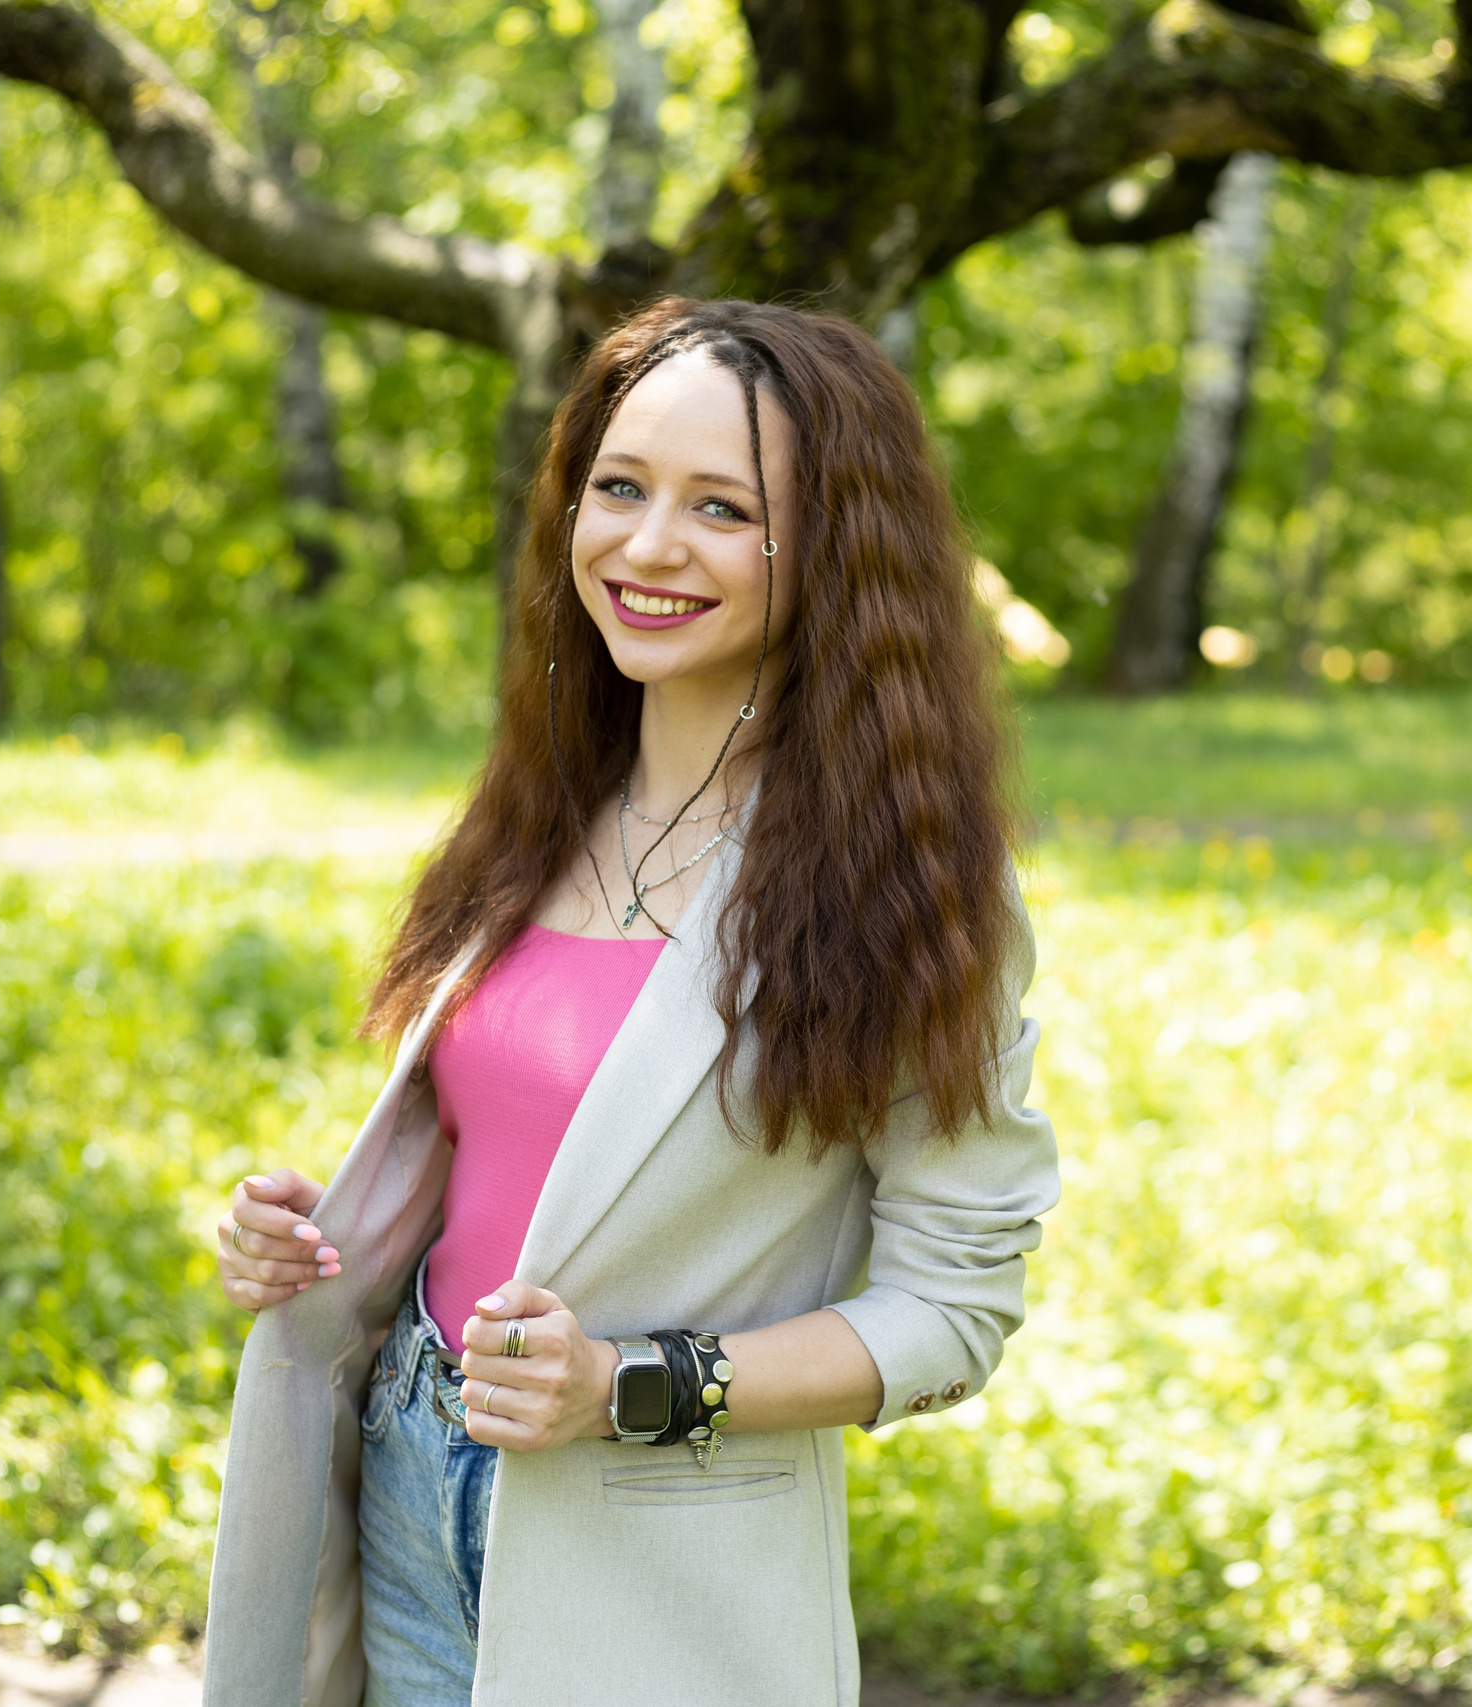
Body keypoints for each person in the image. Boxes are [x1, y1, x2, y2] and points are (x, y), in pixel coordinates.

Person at [202, 296, 1058, 1707]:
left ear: (834, 546)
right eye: (619, 486)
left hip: (650, 1563)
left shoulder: (910, 890)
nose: (647, 546)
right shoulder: (541, 810)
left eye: (723, 508)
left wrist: (632, 1385)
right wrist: (299, 1250)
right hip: (406, 1479)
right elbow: (494, 1160)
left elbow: (951, 1312)